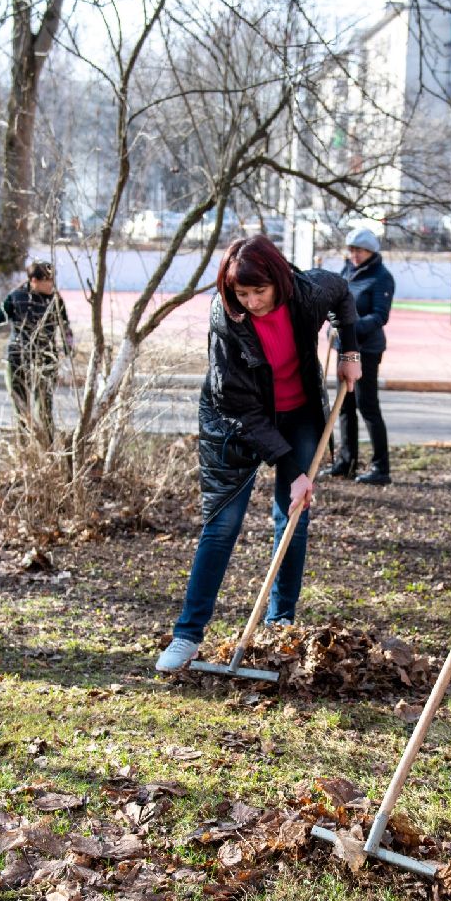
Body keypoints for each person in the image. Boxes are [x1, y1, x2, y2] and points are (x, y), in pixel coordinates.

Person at [155, 235, 362, 672]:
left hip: (299, 412)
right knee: (222, 523)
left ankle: (279, 626)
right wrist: (292, 468)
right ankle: (187, 635)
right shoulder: (226, 320)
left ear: (278, 280)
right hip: (235, 421)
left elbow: (343, 294)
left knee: (293, 517)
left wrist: (350, 350)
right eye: (241, 293)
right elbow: (237, 406)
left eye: (258, 292)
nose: (250, 302)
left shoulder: (308, 291)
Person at [322, 227, 395, 484]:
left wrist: (349, 328)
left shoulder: (381, 277)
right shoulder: (347, 272)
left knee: (367, 406)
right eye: (352, 250)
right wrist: (334, 324)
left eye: (360, 251)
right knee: (344, 406)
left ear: (371, 252)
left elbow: (379, 316)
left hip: (367, 350)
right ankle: (346, 463)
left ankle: (381, 468)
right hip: (344, 348)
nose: (354, 255)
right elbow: (336, 304)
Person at [0, 259, 73, 438]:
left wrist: (68, 357)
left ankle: (47, 447)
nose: (52, 284)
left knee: (44, 410)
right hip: (17, 358)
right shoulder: (16, 297)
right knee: (21, 411)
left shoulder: (55, 300)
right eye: (48, 280)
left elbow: (66, 329)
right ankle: (24, 446)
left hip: (46, 359)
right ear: (34, 280)